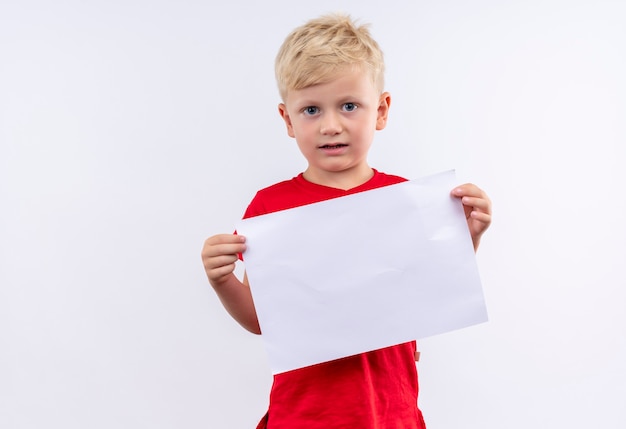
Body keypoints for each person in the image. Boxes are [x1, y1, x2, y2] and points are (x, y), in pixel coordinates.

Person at [201, 13, 492, 429]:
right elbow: (265, 322)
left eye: (349, 106)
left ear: (382, 110)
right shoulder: (271, 206)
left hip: (389, 410)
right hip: (304, 414)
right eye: (312, 110)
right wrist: (222, 280)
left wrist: (466, 239)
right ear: (287, 120)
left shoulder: (405, 199)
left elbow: (430, 293)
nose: (330, 125)